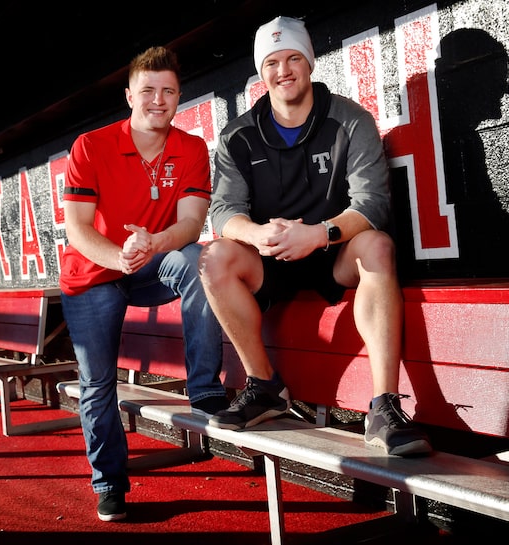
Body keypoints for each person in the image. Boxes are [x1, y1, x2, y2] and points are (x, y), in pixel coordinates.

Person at [199, 16, 432, 457]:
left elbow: (372, 203)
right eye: (271, 62)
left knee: (378, 246)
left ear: (308, 62)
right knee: (215, 258)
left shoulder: (350, 119)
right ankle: (264, 386)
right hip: (272, 254)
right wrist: (258, 233)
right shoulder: (238, 136)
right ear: (260, 72)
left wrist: (319, 234)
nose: (282, 70)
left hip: (333, 249)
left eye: (292, 59)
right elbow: (224, 211)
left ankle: (384, 406)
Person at [59, 46, 230, 522]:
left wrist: (153, 243)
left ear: (179, 97)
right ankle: (109, 482)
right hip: (94, 272)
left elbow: (192, 224)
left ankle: (204, 388)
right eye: (149, 90)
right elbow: (77, 228)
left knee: (202, 258)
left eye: (169, 91)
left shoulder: (192, 147)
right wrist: (119, 255)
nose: (159, 100)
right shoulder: (90, 146)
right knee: (97, 384)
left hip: (151, 260)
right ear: (129, 95)